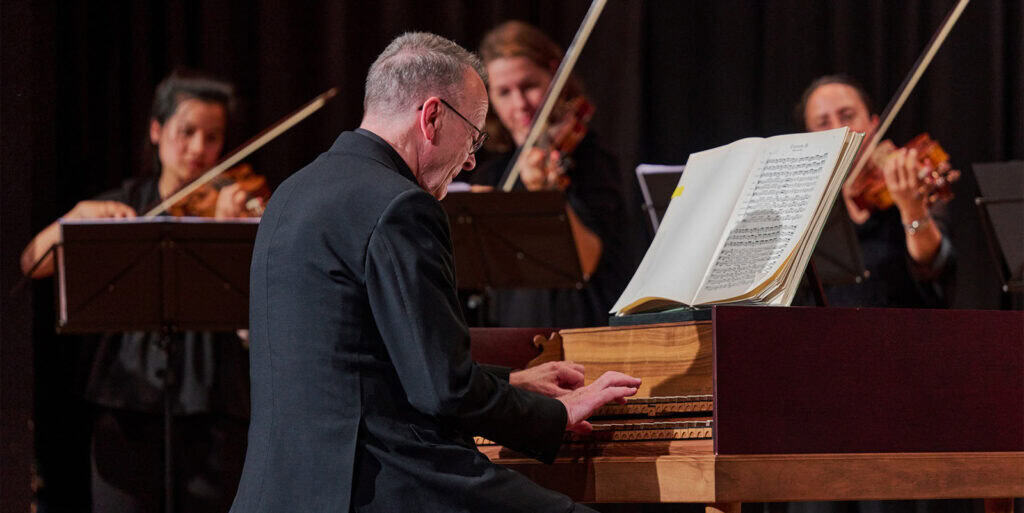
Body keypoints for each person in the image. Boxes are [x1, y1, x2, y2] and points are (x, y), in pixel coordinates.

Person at [229, 32, 641, 513]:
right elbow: (444, 390)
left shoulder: (292, 194)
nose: (470, 160)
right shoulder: (400, 206)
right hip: (381, 485)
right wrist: (555, 413)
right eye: (473, 135)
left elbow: (369, 364)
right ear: (431, 117)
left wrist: (511, 382)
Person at [21, 70, 252, 512]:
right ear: (156, 130)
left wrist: (241, 230)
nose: (199, 150)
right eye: (187, 133)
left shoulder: (233, 207)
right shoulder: (125, 203)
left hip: (214, 404)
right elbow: (34, 262)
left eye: (213, 137)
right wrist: (76, 217)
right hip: (127, 403)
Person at [463, 20, 643, 328]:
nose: (520, 104)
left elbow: (587, 262)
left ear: (554, 75)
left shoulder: (589, 159)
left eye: (529, 86)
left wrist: (547, 196)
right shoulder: (494, 173)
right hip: (516, 338)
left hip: (582, 331)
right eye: (504, 92)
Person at [798, 74, 955, 308]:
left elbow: (936, 266)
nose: (839, 129)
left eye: (847, 116)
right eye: (823, 123)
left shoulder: (907, 181)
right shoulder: (804, 204)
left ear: (873, 124)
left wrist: (912, 210)